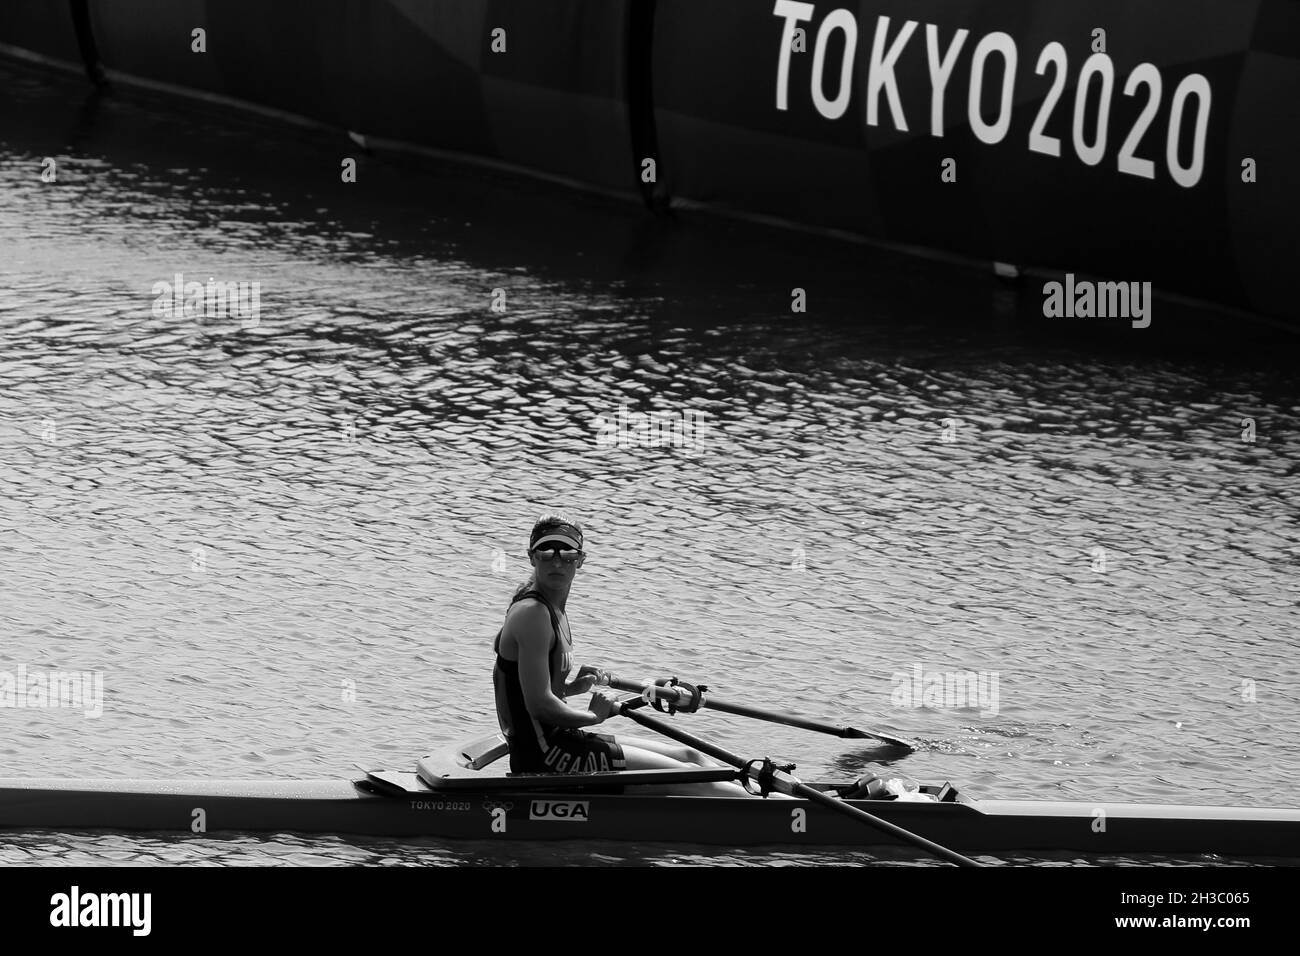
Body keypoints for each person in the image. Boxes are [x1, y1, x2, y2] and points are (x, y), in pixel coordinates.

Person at [491, 513, 746, 795]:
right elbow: (539, 706)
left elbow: (527, 690)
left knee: (690, 758)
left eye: (567, 553)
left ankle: (767, 801)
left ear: (581, 560)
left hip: (560, 741)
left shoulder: (550, 607)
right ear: (532, 557)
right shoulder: (533, 613)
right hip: (546, 759)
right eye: (546, 551)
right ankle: (777, 816)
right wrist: (592, 717)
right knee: (692, 779)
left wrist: (572, 687)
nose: (557, 561)